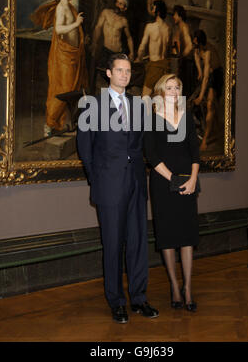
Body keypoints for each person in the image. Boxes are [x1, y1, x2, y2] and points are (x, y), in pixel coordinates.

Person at [77, 53, 159, 324]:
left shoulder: (137, 105)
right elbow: (85, 148)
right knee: (112, 245)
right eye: (120, 70)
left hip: (136, 182)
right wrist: (97, 179)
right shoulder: (93, 105)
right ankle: (116, 301)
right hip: (109, 185)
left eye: (128, 71)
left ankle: (139, 298)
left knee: (137, 242)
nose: (125, 74)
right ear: (109, 74)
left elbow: (143, 144)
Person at [144, 74, 200, 311]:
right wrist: (174, 179)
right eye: (169, 87)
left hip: (188, 183)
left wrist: (194, 179)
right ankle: (175, 287)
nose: (174, 91)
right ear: (160, 91)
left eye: (177, 87)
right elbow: (151, 155)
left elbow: (195, 153)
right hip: (163, 184)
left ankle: (188, 288)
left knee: (187, 236)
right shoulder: (151, 119)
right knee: (167, 237)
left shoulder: (187, 118)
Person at [31, 0, 88, 136]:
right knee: (64, 89)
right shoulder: (62, 8)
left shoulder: (70, 6)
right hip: (64, 55)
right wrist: (76, 24)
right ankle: (49, 124)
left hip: (73, 54)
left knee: (73, 88)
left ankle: (62, 124)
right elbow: (58, 29)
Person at [193, 29, 224, 151]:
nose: (194, 45)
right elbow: (195, 56)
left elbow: (206, 77)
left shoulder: (208, 53)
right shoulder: (197, 48)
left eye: (196, 43)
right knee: (212, 107)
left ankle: (205, 140)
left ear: (200, 42)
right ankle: (215, 130)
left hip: (216, 76)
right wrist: (199, 71)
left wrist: (200, 97)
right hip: (208, 74)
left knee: (210, 104)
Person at [135, 0, 170, 97]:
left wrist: (139, 58)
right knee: (156, 99)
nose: (152, 10)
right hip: (165, 66)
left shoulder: (150, 27)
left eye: (154, 7)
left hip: (155, 67)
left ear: (158, 12)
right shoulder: (167, 28)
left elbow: (142, 47)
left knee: (145, 97)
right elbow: (165, 50)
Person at [172, 5, 201, 98]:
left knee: (183, 93)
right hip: (183, 63)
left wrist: (182, 56)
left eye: (175, 15)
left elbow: (189, 45)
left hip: (186, 65)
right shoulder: (180, 27)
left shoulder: (184, 27)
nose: (173, 17)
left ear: (180, 16)